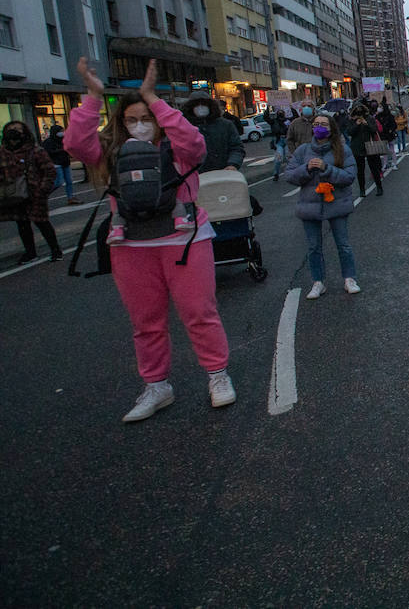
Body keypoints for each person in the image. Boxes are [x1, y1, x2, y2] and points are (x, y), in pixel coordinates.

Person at [64, 57, 235, 422]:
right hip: (129, 247)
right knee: (145, 322)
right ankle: (157, 386)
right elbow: (76, 144)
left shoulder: (178, 149)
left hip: (184, 241)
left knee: (200, 314)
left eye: (146, 119)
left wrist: (153, 99)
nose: (139, 126)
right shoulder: (112, 153)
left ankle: (218, 375)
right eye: (132, 120)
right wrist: (93, 97)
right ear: (121, 124)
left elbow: (194, 141)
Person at [284, 111, 359, 299]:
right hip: (309, 205)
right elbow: (290, 176)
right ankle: (318, 282)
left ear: (331, 128)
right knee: (313, 247)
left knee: (343, 244)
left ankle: (349, 278)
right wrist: (306, 168)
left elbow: (349, 176)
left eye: (324, 125)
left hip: (336, 202)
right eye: (317, 124)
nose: (320, 127)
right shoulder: (302, 151)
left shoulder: (342, 150)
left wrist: (327, 169)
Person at [1, 121, 62, 263]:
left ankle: (55, 250)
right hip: (14, 195)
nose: (13, 132)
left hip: (35, 194)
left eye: (17, 129)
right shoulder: (3, 153)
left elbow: (49, 171)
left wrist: (43, 189)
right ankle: (30, 252)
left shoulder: (35, 151)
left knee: (42, 223)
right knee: (22, 224)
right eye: (10, 129)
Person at [183, 92, 244, 173]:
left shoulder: (225, 125)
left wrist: (232, 164)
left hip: (225, 174)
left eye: (204, 104)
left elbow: (237, 147)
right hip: (197, 178)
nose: (200, 107)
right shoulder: (184, 127)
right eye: (196, 105)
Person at [347, 104, 385, 197]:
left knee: (374, 168)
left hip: (370, 145)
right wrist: (357, 124)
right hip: (357, 147)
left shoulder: (369, 118)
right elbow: (350, 132)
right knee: (360, 170)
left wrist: (366, 124)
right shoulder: (352, 120)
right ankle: (362, 190)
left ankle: (379, 187)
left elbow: (375, 130)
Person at [42, 123, 78, 204]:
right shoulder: (48, 142)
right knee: (59, 182)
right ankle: (44, 194)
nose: (62, 132)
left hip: (65, 162)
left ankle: (70, 197)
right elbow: (48, 152)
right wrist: (61, 150)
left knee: (69, 181)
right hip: (56, 163)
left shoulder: (64, 139)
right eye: (60, 131)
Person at [267, 107, 289, 181]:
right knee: (278, 159)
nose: (280, 114)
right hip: (278, 141)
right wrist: (268, 108)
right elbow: (266, 117)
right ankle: (276, 173)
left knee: (289, 158)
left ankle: (291, 172)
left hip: (287, 141)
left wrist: (291, 107)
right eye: (279, 112)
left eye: (281, 112)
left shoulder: (288, 121)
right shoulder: (273, 121)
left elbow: (295, 116)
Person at [376, 102, 399, 170]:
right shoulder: (378, 116)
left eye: (381, 107)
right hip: (382, 136)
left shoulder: (389, 116)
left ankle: (394, 163)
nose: (379, 108)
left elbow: (394, 125)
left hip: (389, 135)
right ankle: (385, 164)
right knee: (384, 152)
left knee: (392, 150)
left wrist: (391, 130)